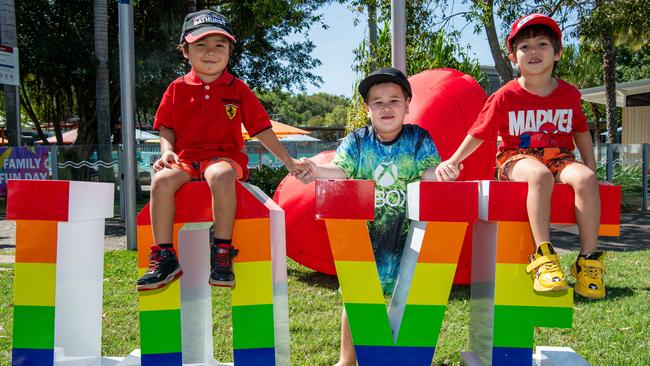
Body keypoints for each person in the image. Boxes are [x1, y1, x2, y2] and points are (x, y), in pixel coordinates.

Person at [435, 13, 606, 299]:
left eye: (542, 44)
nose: (534, 51)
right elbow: (478, 132)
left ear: (558, 52)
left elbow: (580, 131)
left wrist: (590, 167)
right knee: (538, 176)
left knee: (586, 178)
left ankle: (587, 262)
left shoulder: (569, 95)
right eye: (524, 47)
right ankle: (544, 258)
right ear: (514, 57)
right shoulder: (505, 96)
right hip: (516, 158)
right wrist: (453, 160)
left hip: (559, 157)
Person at [137, 9, 303, 291]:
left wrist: (288, 161)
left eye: (219, 45)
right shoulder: (176, 89)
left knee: (220, 174)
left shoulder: (238, 89)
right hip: (187, 160)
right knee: (161, 181)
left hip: (224, 158)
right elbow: (167, 127)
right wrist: (167, 151)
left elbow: (262, 130)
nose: (210, 52)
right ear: (185, 51)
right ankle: (164, 256)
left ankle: (222, 251)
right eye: (201, 44)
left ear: (229, 52)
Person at [296, 67, 440, 366]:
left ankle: (407, 355)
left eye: (394, 100)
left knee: (411, 301)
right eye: (377, 101)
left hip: (407, 238)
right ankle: (346, 359)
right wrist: (316, 170)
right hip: (365, 238)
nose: (386, 107)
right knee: (357, 300)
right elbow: (340, 169)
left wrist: (440, 173)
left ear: (407, 104)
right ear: (367, 108)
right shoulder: (358, 141)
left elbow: (429, 170)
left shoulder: (418, 139)